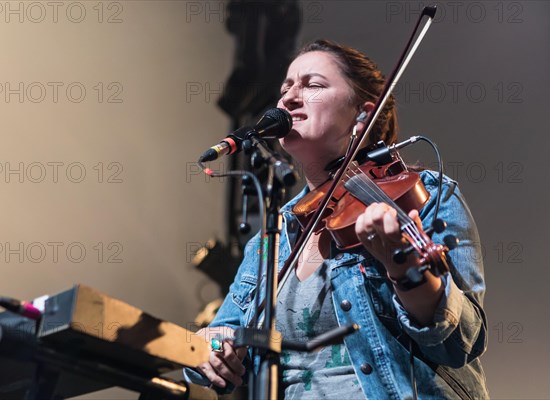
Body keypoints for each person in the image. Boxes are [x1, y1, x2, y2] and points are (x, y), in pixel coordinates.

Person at [186, 39, 488, 399]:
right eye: (286, 88)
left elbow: (461, 343)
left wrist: (403, 266)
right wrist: (209, 350)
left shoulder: (422, 194)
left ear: (362, 115)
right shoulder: (274, 235)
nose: (288, 98)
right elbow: (215, 342)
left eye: (312, 85)